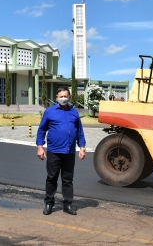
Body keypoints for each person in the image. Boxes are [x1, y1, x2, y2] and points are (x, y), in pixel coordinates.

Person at [36, 87, 86, 216]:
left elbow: (79, 131)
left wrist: (82, 147)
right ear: (57, 98)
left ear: (69, 98)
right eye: (61, 96)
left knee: (67, 179)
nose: (63, 98)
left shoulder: (74, 112)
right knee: (52, 178)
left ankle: (67, 205)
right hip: (54, 151)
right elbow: (41, 130)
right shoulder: (50, 112)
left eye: (66, 96)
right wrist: (40, 147)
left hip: (69, 152)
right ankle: (48, 203)